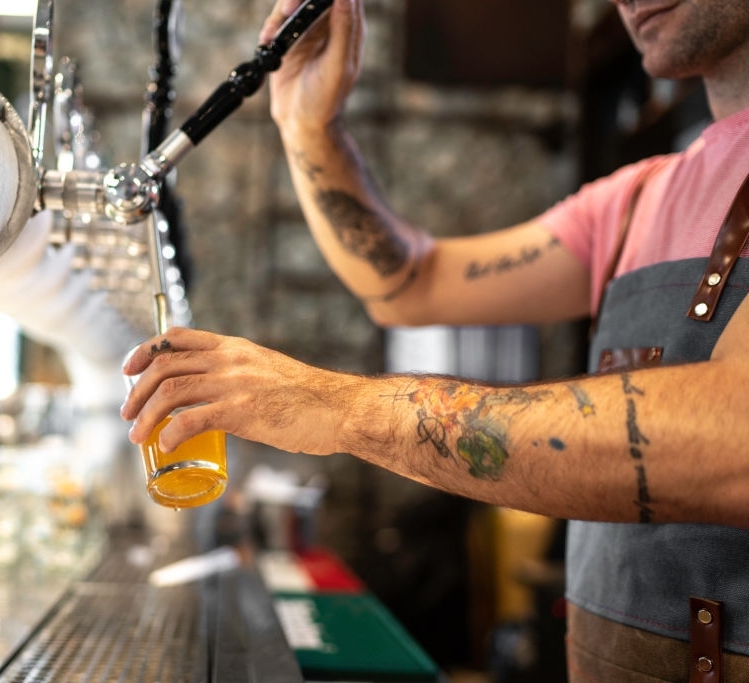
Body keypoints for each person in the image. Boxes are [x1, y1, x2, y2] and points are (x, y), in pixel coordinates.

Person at [121, 0, 749, 678]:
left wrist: (339, 407)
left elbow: (731, 436)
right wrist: (307, 123)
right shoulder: (636, 202)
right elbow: (408, 283)